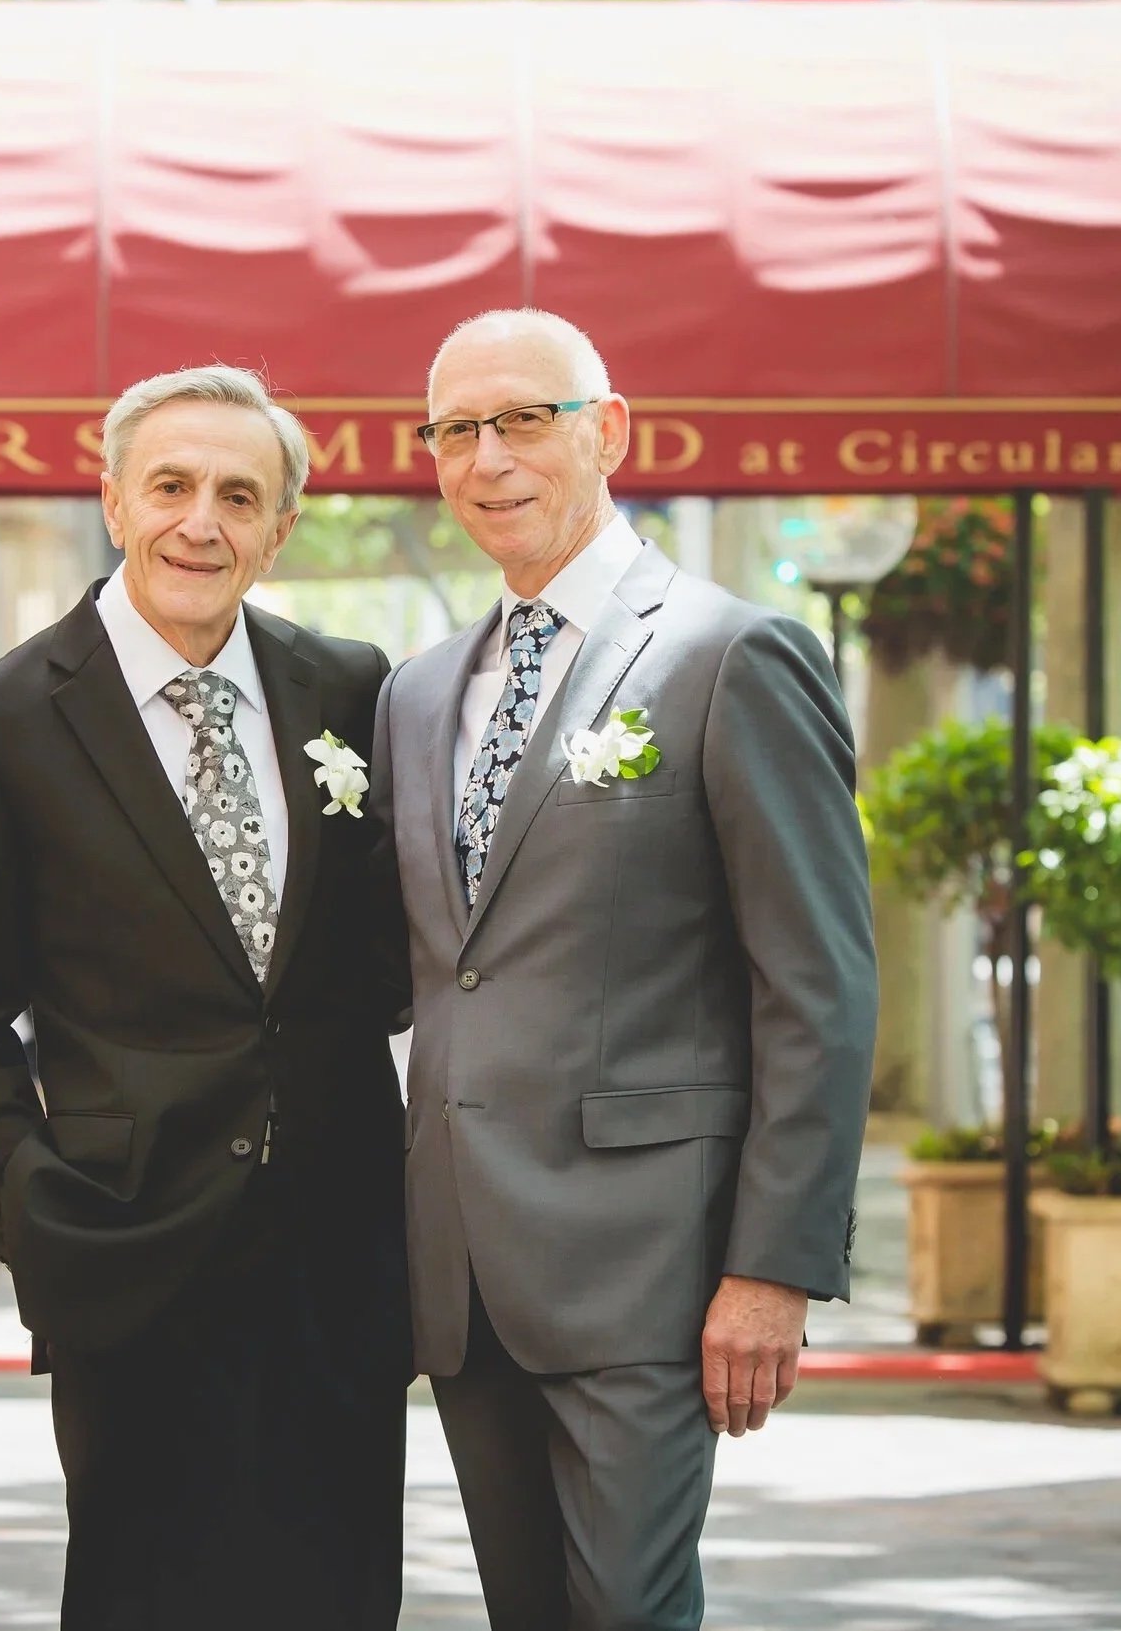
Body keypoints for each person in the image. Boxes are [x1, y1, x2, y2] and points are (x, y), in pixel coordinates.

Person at [374, 309, 879, 1631]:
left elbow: (813, 984)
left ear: (606, 431)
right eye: (453, 430)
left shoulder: (726, 654)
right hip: (465, 1272)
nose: (485, 458)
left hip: (647, 1265)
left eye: (521, 419)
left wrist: (773, 1263)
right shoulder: (417, 694)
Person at [0, 365, 409, 1631]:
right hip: (131, 1260)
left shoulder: (352, 690)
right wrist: (34, 1210)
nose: (202, 521)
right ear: (114, 500)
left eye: (240, 495)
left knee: (342, 1602)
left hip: (339, 1265)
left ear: (281, 527)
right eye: (171, 486)